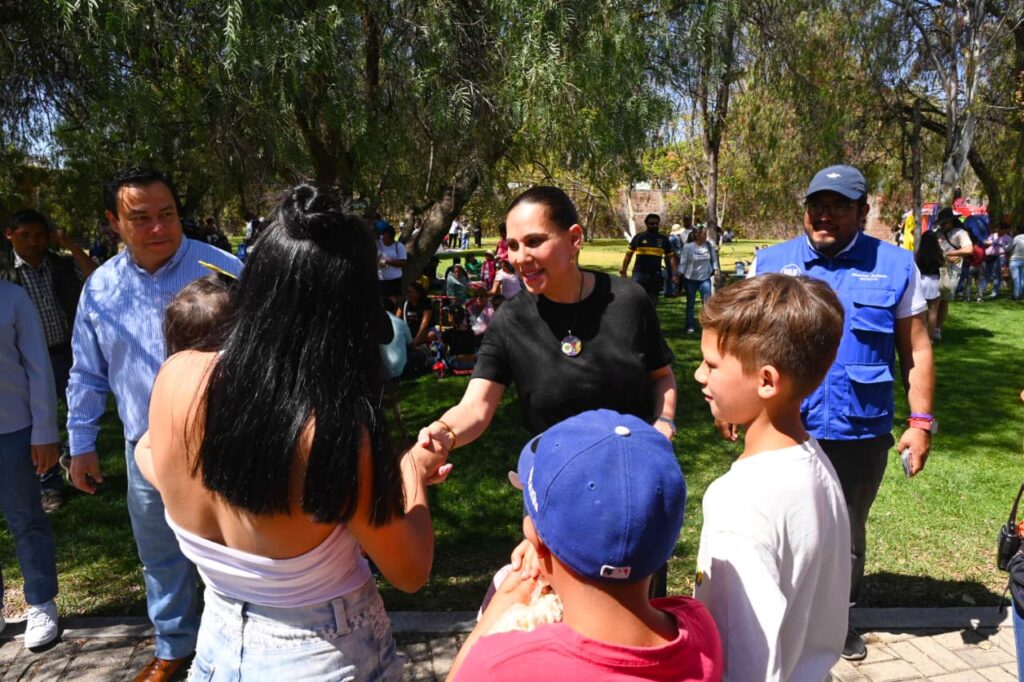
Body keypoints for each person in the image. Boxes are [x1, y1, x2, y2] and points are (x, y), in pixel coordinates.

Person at [138, 183, 449, 681]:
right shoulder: (331, 431)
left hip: (218, 649)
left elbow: (147, 455)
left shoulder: (176, 376)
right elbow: (411, 570)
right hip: (326, 654)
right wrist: (409, 469)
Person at [419, 186, 679, 599]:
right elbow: (476, 406)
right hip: (554, 498)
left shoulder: (628, 301)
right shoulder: (511, 322)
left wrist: (664, 424)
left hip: (634, 492)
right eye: (513, 245)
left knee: (639, 624)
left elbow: (661, 376)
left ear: (574, 238)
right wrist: (443, 435)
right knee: (562, 622)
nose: (520, 257)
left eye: (535, 241)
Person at [746, 164, 934, 660]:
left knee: (845, 532)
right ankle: (777, 618)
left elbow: (916, 351)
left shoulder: (895, 266)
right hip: (783, 425)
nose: (824, 215)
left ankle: (839, 620)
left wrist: (920, 423)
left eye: (839, 206)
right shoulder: (771, 262)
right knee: (774, 525)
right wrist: (737, 407)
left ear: (863, 210)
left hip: (861, 427)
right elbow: (741, 343)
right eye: (817, 205)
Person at [65, 167, 242, 682]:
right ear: (113, 222)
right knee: (160, 556)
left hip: (225, 444)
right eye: (140, 218)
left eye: (167, 214)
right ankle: (175, 647)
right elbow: (86, 371)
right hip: (146, 450)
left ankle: (233, 649)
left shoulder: (223, 269)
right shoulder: (100, 289)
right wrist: (80, 444)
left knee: (235, 552)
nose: (159, 227)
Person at [447, 410, 723, 681]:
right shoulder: (700, 633)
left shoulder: (501, 666)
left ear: (533, 536)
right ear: (672, 539)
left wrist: (504, 601)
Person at [693, 274, 851, 680]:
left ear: (766, 381)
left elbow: (742, 656)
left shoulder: (738, 500)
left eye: (711, 364)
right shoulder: (815, 462)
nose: (698, 375)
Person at [3, 209, 97, 512]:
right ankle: (49, 484)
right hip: (25, 362)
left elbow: (93, 275)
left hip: (64, 353)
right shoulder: (7, 276)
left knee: (77, 413)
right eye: (25, 235)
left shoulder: (60, 266)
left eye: (40, 236)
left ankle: (80, 465)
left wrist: (68, 244)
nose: (33, 242)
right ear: (9, 235)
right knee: (38, 422)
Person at [0, 280, 61, 649]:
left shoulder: (12, 297)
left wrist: (44, 430)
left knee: (25, 519)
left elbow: (39, 367)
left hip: (14, 428)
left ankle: (40, 601)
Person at [931, 207, 973, 340]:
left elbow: (969, 249)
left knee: (944, 300)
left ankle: (937, 329)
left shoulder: (960, 233)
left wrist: (951, 254)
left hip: (952, 270)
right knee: (934, 298)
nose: (942, 225)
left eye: (944, 222)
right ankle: (931, 328)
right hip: (937, 268)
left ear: (950, 221)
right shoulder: (937, 233)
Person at [620, 213, 675, 305]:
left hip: (656, 275)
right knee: (637, 300)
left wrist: (675, 273)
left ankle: (649, 319)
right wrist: (624, 270)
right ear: (646, 224)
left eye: (657, 224)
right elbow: (628, 255)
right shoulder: (639, 237)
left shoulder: (663, 239)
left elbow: (671, 257)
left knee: (652, 302)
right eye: (652, 224)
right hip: (639, 274)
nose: (655, 226)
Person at [676, 224, 719, 335]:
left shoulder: (709, 246)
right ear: (697, 235)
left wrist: (716, 271)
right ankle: (689, 326)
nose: (705, 236)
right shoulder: (688, 247)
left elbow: (714, 260)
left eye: (706, 234)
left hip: (704, 278)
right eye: (703, 234)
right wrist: (678, 275)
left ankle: (707, 326)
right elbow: (683, 262)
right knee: (691, 303)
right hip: (690, 279)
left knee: (707, 303)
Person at [915, 230, 944, 340]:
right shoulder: (939, 254)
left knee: (920, 311)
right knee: (933, 311)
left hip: (921, 281)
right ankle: (930, 338)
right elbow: (943, 268)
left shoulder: (919, 253)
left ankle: (919, 336)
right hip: (935, 282)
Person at [376, 220, 407, 299]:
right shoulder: (377, 244)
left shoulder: (399, 246)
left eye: (385, 235)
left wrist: (388, 262)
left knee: (394, 302)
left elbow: (403, 263)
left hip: (394, 281)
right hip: (381, 280)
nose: (383, 237)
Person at [400, 281, 436, 347]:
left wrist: (416, 341)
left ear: (418, 294)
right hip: (408, 333)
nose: (408, 294)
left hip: (423, 333)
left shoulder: (426, 305)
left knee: (432, 335)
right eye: (407, 292)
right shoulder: (404, 304)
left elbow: (425, 324)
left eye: (411, 292)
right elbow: (396, 319)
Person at [982, 221, 1011, 298]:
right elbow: (985, 242)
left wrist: (1002, 246)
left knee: (996, 275)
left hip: (1000, 257)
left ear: (1005, 230)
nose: (999, 230)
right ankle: (982, 289)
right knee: (986, 274)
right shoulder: (992, 235)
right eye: (999, 228)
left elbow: (1008, 249)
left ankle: (995, 292)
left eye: (1002, 229)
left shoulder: (1008, 238)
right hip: (989, 257)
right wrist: (987, 243)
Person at [1010, 224, 1024, 301]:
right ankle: (1020, 294)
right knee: (1022, 278)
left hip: (1015, 260)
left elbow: (1010, 247)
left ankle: (1016, 295)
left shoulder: (1016, 238)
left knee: (1016, 279)